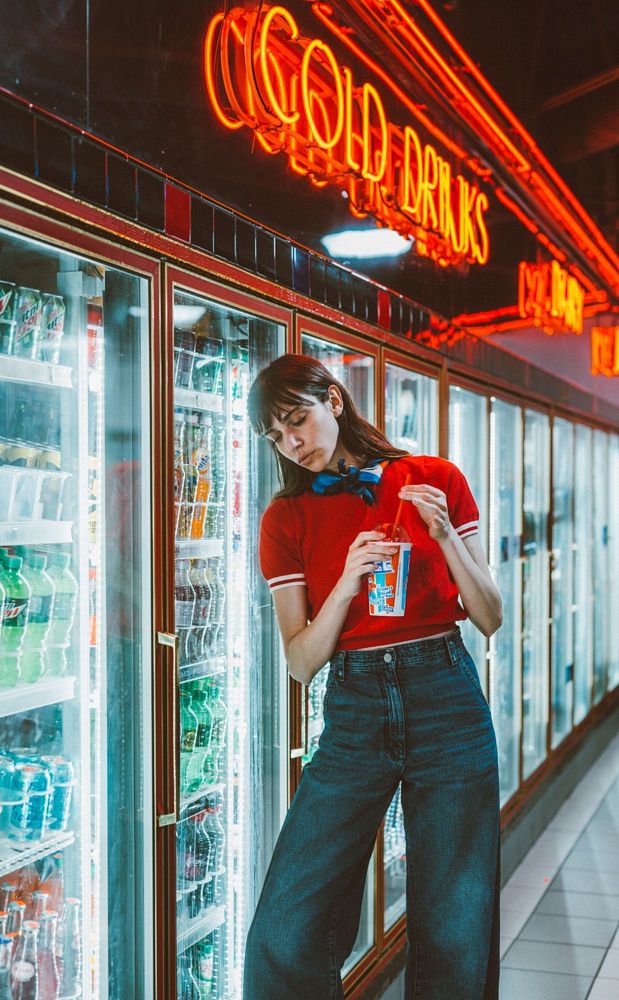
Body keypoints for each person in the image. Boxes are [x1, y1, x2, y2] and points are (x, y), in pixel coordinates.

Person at [243, 354, 503, 1000]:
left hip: (444, 696)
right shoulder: (286, 518)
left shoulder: (433, 477)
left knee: (452, 924)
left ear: (333, 399)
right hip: (354, 708)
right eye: (275, 436)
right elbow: (301, 662)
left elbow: (489, 616)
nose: (291, 443)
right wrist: (343, 587)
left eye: (296, 420)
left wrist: (443, 535)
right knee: (285, 924)